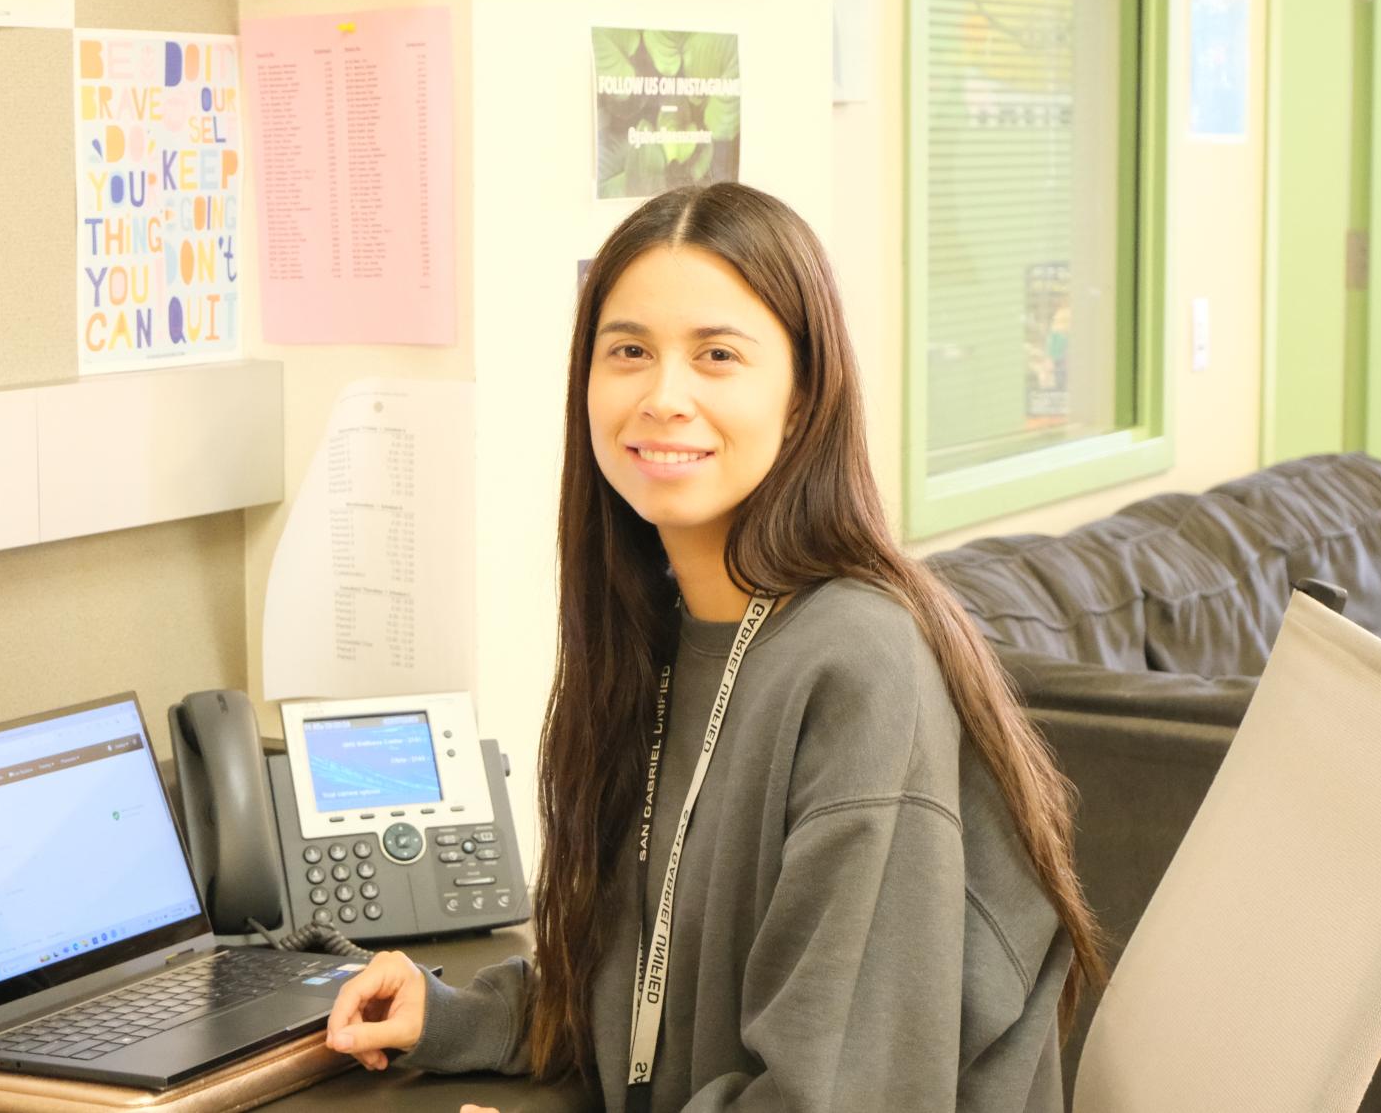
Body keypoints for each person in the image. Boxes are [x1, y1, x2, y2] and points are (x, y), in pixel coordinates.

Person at [326, 183, 1108, 1111]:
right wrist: (461, 1018)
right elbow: (660, 980)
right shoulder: (659, 632)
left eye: (717, 355)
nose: (664, 398)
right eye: (628, 352)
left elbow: (843, 1096)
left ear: (803, 392)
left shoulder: (857, 662)